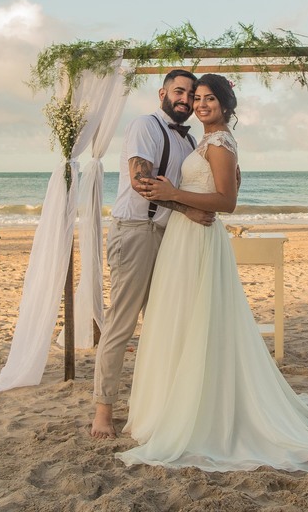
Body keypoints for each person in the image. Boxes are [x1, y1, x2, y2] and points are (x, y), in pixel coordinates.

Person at [120, 74, 308, 472]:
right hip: (183, 237)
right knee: (180, 322)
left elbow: (226, 201)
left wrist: (174, 194)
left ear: (225, 105)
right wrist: (184, 202)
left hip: (197, 240)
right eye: (196, 98)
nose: (200, 104)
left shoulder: (220, 142)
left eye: (209, 98)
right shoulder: (203, 141)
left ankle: (193, 412)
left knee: (197, 322)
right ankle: (170, 407)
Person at [90, 69, 215, 439]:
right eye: (179, 91)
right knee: (122, 323)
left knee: (164, 322)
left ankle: (158, 406)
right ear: (163, 93)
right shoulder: (145, 125)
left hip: (170, 238)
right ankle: (103, 411)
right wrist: (187, 209)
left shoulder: (189, 139)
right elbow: (141, 181)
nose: (185, 99)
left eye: (191, 94)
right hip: (136, 232)